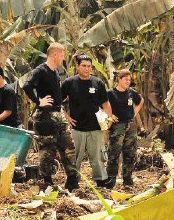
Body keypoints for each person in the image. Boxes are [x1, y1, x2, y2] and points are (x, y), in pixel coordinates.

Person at [22, 42, 78, 190]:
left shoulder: (55, 72)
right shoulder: (40, 70)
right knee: (48, 150)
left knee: (68, 146)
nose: (63, 57)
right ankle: (47, 182)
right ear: (54, 54)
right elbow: (27, 86)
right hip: (45, 117)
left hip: (58, 114)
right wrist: (38, 101)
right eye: (62, 54)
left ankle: (72, 180)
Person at [61, 54, 112, 187]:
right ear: (77, 67)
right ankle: (73, 181)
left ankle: (101, 181)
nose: (86, 68)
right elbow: (58, 102)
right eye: (83, 66)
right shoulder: (69, 83)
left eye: (89, 66)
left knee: (97, 157)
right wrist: (66, 117)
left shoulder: (98, 83)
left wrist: (109, 119)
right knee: (75, 157)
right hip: (76, 128)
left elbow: (105, 104)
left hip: (95, 127)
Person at [105, 69, 144, 188]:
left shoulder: (131, 92)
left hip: (130, 125)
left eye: (129, 79)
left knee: (130, 152)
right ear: (119, 79)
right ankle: (111, 178)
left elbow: (141, 101)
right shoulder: (110, 93)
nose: (128, 81)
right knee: (114, 152)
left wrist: (134, 112)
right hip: (117, 126)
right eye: (125, 79)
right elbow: (102, 105)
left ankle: (127, 178)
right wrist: (110, 115)